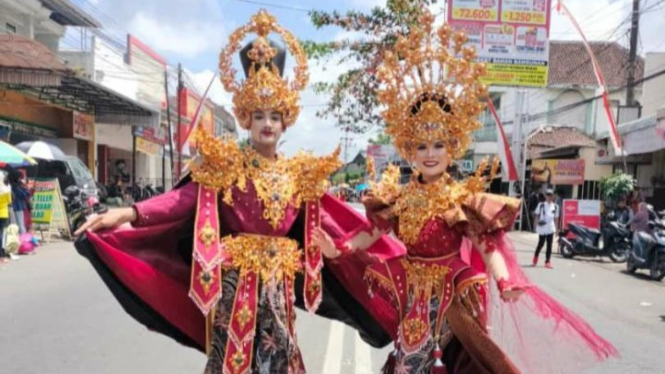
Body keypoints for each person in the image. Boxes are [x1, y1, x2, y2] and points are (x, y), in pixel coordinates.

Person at [74, 10, 402, 374]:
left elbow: (336, 224)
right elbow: (182, 202)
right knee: (233, 356)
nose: (267, 124)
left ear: (285, 121)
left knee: (278, 354)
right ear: (246, 119)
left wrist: (377, 227)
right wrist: (128, 213)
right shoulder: (225, 166)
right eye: (259, 115)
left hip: (278, 284)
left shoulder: (299, 176)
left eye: (274, 116)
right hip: (233, 283)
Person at [313, 11, 616, 374]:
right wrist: (339, 248)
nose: (430, 154)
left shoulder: (461, 199)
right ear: (411, 150)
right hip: (409, 294)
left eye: (438, 145)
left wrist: (505, 280)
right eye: (421, 146)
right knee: (407, 359)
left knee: (442, 362)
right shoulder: (400, 198)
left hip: (450, 299)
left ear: (452, 147)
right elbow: (371, 232)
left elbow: (488, 245)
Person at [533, 189, 559, 269]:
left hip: (550, 228)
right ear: (546, 196)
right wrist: (535, 225)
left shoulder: (555, 206)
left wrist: (557, 229)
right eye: (548, 195)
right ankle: (536, 255)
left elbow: (556, 218)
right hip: (542, 227)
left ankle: (547, 261)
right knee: (541, 243)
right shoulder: (541, 205)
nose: (549, 197)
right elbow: (537, 215)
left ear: (553, 196)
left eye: (551, 195)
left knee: (549, 245)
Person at [9, 168, 31, 234]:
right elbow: (23, 194)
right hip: (17, 206)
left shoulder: (13, 184)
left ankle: (19, 238)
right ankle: (23, 239)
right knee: (20, 224)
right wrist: (26, 189)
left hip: (14, 206)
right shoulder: (16, 185)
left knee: (16, 224)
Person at [0, 171, 12, 264]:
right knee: (2, 235)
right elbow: (9, 202)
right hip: (3, 213)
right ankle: (1, 256)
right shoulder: (7, 189)